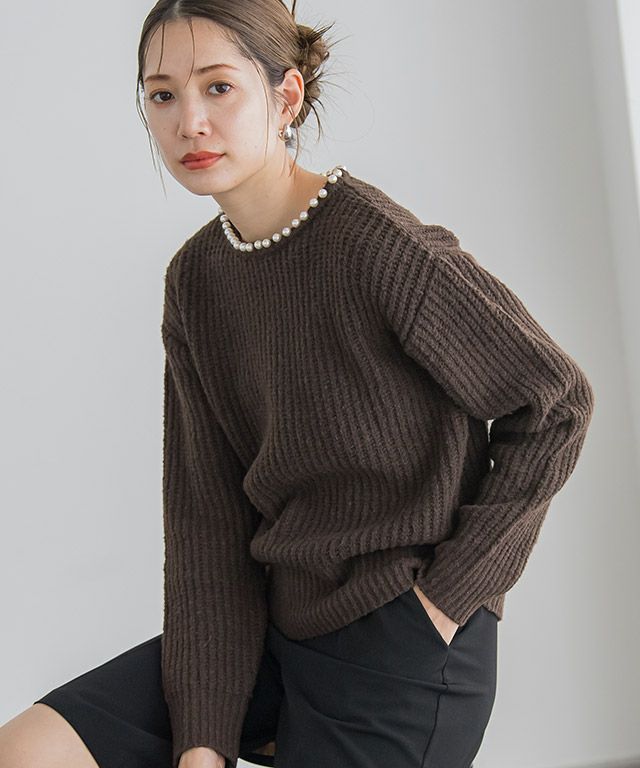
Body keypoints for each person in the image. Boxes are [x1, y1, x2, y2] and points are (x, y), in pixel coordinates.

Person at [0, 1, 596, 768]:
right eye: (162, 95)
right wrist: (204, 740)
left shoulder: (374, 244)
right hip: (278, 632)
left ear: (286, 97)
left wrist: (447, 601)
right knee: (30, 751)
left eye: (218, 87)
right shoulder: (197, 282)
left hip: (399, 645)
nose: (190, 122)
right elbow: (208, 526)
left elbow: (556, 404)